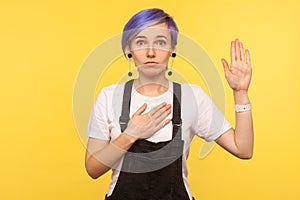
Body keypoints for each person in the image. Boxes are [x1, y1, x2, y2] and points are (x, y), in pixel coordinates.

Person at [85, 8, 253, 200]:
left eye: (160, 42)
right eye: (141, 42)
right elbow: (93, 169)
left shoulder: (192, 97)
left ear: (173, 48)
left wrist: (240, 93)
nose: (150, 52)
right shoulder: (109, 97)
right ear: (128, 49)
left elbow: (243, 149)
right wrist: (130, 135)